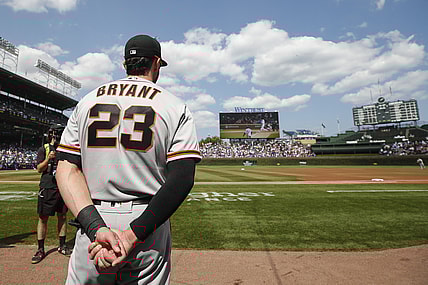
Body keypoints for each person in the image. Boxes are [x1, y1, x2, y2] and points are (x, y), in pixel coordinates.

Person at [56, 34, 201, 284]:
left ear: (125, 64)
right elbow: (182, 177)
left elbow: (67, 169)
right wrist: (133, 234)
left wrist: (95, 228)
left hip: (92, 215)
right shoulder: (174, 105)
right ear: (156, 63)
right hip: (147, 220)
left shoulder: (88, 101)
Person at [32, 124, 72, 264]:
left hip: (61, 186)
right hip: (48, 186)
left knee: (62, 216)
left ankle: (62, 245)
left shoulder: (66, 150)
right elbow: (39, 168)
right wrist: (48, 159)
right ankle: (40, 249)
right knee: (43, 217)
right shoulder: (44, 148)